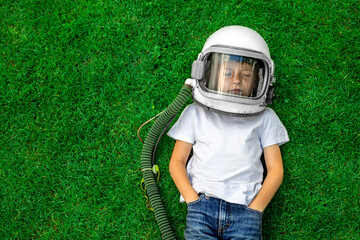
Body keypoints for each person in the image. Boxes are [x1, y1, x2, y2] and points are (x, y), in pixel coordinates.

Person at [167, 26, 289, 239]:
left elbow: (276, 169)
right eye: (227, 73)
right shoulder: (194, 114)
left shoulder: (266, 118)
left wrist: (256, 208)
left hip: (246, 209)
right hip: (201, 206)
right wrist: (192, 200)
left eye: (246, 74)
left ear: (261, 80)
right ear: (206, 71)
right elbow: (176, 161)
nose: (236, 80)